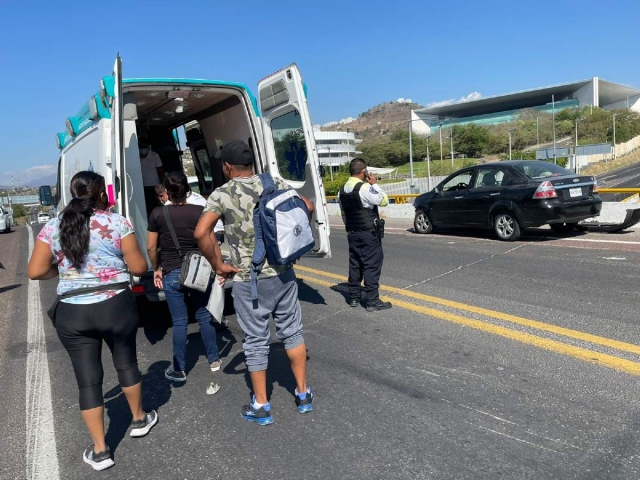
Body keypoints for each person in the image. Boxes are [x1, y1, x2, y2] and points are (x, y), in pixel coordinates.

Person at [27, 171, 157, 471]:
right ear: (102, 194)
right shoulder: (117, 222)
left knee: (88, 381)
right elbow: (138, 266)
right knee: (126, 362)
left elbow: (35, 271)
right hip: (116, 306)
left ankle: (100, 451)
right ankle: (138, 419)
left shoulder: (53, 227)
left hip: (73, 311)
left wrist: (64, 274)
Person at [195, 139, 314, 426]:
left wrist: (218, 264)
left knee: (256, 341)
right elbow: (306, 205)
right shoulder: (271, 182)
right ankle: (302, 395)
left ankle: (261, 405)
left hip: (249, 280)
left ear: (226, 167)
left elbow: (201, 232)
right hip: (283, 274)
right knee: (293, 333)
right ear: (250, 164)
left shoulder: (221, 195)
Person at [147, 171, 222, 383]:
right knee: (203, 316)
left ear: (167, 193)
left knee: (179, 322)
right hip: (198, 270)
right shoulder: (200, 211)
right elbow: (212, 241)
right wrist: (218, 266)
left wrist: (157, 268)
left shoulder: (157, 214)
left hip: (171, 272)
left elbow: (151, 247)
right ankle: (214, 360)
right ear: (187, 190)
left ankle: (179, 369)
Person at [338, 158, 392, 312]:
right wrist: (374, 183)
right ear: (364, 172)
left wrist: (351, 227)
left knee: (355, 264)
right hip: (368, 233)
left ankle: (354, 297)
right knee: (371, 266)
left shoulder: (341, 190)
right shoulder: (364, 188)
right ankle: (372, 301)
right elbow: (383, 201)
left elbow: (344, 214)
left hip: (352, 232)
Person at [156, 182, 225, 243]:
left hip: (212, 232)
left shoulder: (181, 202)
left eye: (162, 196)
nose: (161, 199)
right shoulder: (194, 195)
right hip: (218, 229)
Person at [139, 136, 165, 218]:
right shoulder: (135, 157)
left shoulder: (154, 156)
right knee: (146, 208)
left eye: (145, 147)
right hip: (142, 187)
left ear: (148, 146)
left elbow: (161, 171)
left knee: (156, 207)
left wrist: (163, 185)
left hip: (155, 186)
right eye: (141, 147)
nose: (143, 149)